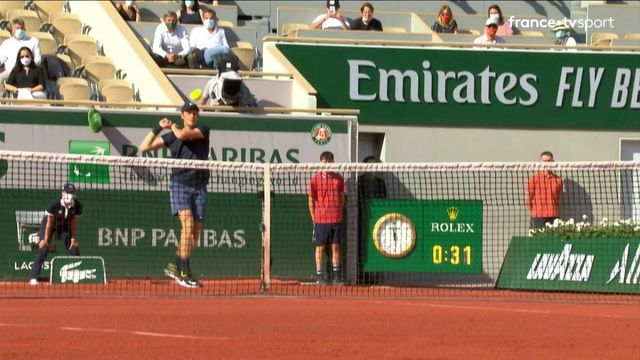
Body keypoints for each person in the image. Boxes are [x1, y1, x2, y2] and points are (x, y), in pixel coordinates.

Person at [139, 102, 210, 288]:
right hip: (180, 185)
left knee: (194, 234)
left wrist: (172, 126)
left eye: (195, 113)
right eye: (189, 113)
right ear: (182, 115)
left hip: (200, 186)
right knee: (187, 225)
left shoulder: (202, 130)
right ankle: (185, 272)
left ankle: (176, 265)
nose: (192, 116)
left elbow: (183, 135)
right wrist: (158, 127)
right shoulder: (171, 136)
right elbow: (144, 147)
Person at [29, 183, 83, 285]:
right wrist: (45, 240)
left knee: (73, 248)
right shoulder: (54, 204)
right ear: (62, 193)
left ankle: (76, 276)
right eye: (67, 192)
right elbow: (49, 223)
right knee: (43, 248)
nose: (70, 195)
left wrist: (73, 239)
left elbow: (74, 223)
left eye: (72, 193)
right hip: (49, 226)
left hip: (65, 227)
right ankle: (33, 277)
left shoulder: (78, 205)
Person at [308, 151, 345, 285]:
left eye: (329, 162)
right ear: (320, 162)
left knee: (336, 248)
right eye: (324, 162)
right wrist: (314, 217)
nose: (327, 164)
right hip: (320, 221)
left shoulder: (339, 179)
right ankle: (319, 276)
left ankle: (336, 277)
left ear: (333, 163)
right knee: (320, 248)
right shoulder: (314, 180)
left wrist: (339, 213)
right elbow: (310, 200)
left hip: (336, 219)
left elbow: (342, 198)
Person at [357, 155, 387, 284]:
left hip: (377, 218)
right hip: (362, 219)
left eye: (374, 165)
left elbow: (385, 199)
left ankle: (374, 276)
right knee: (361, 247)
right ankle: (361, 275)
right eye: (369, 165)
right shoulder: (359, 181)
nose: (371, 168)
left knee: (376, 246)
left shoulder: (381, 182)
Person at [525, 151, 563, 229]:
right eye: (544, 161)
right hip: (537, 216)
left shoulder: (558, 180)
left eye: (549, 161)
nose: (547, 163)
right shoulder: (534, 179)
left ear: (553, 162)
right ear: (540, 162)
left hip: (553, 216)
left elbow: (560, 198)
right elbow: (527, 198)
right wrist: (534, 210)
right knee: (537, 240)